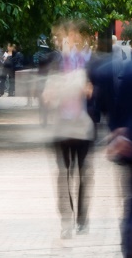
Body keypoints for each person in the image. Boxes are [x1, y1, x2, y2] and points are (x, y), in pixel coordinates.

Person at [99, 23, 132, 258]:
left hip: (119, 139)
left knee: (128, 192)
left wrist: (115, 131)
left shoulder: (107, 69)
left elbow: (103, 105)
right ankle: (130, 240)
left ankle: (128, 239)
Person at [42, 23, 96, 240]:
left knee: (84, 174)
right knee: (64, 175)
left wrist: (90, 90)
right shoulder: (56, 62)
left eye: (74, 35)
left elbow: (97, 92)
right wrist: (50, 95)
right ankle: (67, 219)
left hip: (82, 126)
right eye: (65, 35)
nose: (69, 39)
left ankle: (82, 219)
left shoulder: (90, 62)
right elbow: (47, 95)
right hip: (62, 126)